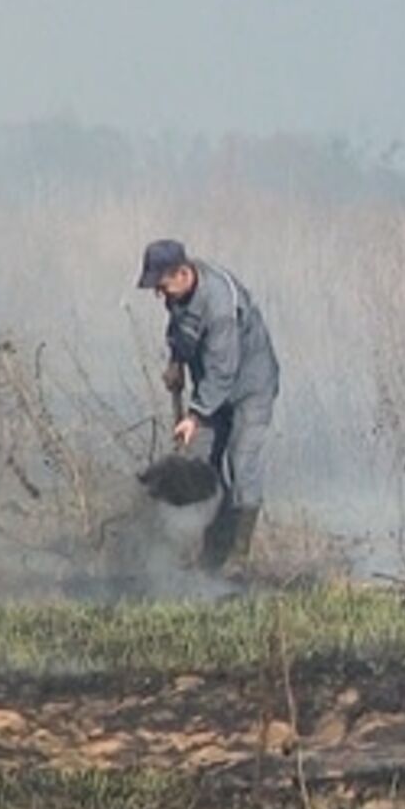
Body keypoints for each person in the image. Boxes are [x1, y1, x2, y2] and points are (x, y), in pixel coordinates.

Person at [137, 239, 281, 572]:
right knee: (202, 465)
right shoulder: (178, 296)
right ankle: (212, 555)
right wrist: (176, 361)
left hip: (250, 390)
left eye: (162, 285)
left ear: (182, 273)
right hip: (213, 391)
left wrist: (195, 415)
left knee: (241, 461)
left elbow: (224, 369)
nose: (160, 294)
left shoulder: (220, 306)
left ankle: (239, 556)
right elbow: (180, 332)